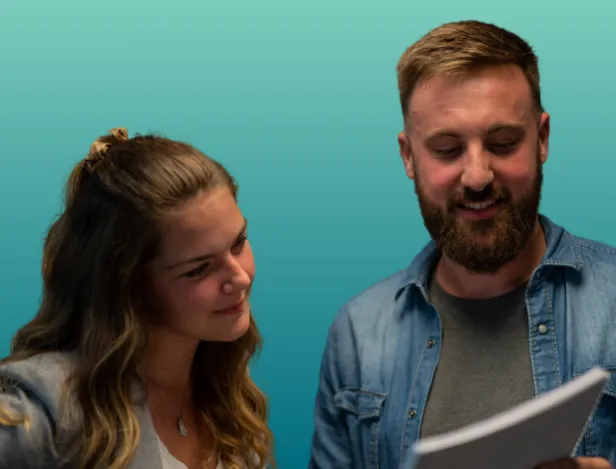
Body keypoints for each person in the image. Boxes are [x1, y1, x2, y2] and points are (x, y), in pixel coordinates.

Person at [309, 20, 616, 469]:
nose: (476, 176)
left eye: (503, 143)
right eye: (447, 150)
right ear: (408, 157)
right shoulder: (357, 334)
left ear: (542, 139)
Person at [0, 128, 275, 469]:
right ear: (130, 284)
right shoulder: (46, 408)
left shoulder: (227, 393)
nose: (240, 278)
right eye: (199, 269)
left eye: (238, 243)